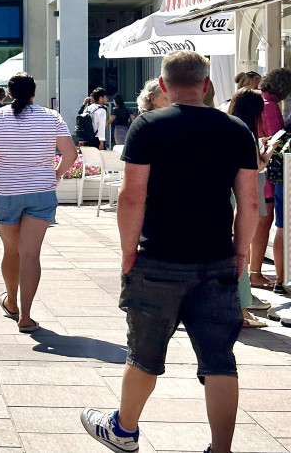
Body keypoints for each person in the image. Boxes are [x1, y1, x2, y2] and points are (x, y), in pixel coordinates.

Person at [81, 52, 259, 453]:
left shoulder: (148, 125)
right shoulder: (236, 130)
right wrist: (241, 254)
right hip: (216, 259)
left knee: (143, 352)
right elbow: (248, 203)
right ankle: (221, 449)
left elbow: (132, 198)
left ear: (163, 85)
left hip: (158, 257)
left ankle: (124, 431)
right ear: (206, 84)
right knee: (219, 359)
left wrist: (128, 252)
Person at [0, 72, 77, 334]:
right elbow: (70, 153)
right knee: (31, 254)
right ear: (34, 93)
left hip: (7, 190)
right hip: (41, 191)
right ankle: (27, 316)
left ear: (8, 94)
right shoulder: (52, 117)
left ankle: (11, 302)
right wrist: (54, 174)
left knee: (11, 251)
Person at [227, 88, 278, 327]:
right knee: (240, 251)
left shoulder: (226, 126)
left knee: (234, 250)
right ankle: (241, 308)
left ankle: (240, 305)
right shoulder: (245, 132)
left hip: (221, 194)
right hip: (239, 195)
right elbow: (255, 166)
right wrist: (267, 155)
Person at [248, 67, 291, 293]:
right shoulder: (270, 106)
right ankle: (256, 272)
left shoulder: (254, 100)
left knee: (254, 222)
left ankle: (251, 271)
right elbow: (279, 141)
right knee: (264, 223)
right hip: (267, 174)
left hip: (251, 170)